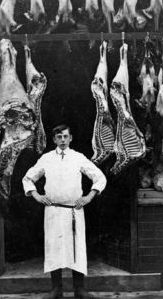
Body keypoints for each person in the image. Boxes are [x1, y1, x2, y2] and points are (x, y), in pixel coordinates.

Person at [23, 124, 107, 299]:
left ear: (71, 138)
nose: (62, 140)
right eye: (59, 137)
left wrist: (89, 197)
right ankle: (56, 289)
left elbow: (99, 177)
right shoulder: (46, 158)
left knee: (76, 249)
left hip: (74, 212)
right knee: (54, 248)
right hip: (53, 211)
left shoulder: (78, 158)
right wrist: (36, 195)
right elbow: (29, 177)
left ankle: (79, 289)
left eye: (65, 136)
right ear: (54, 139)